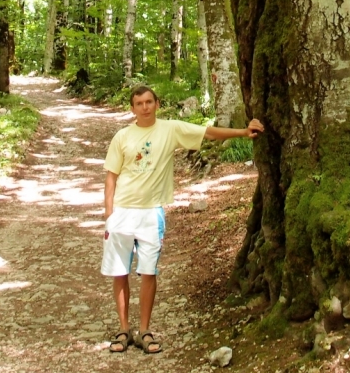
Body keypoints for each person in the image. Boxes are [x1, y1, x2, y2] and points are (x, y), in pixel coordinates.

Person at [101, 85, 264, 354]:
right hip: (122, 212)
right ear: (132, 108)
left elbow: (208, 133)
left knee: (148, 271)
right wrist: (109, 217)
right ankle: (122, 330)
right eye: (139, 103)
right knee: (120, 272)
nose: (144, 107)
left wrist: (243, 132)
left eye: (149, 102)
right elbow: (111, 178)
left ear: (157, 104)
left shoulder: (171, 129)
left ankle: (144, 331)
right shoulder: (122, 137)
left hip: (151, 212)